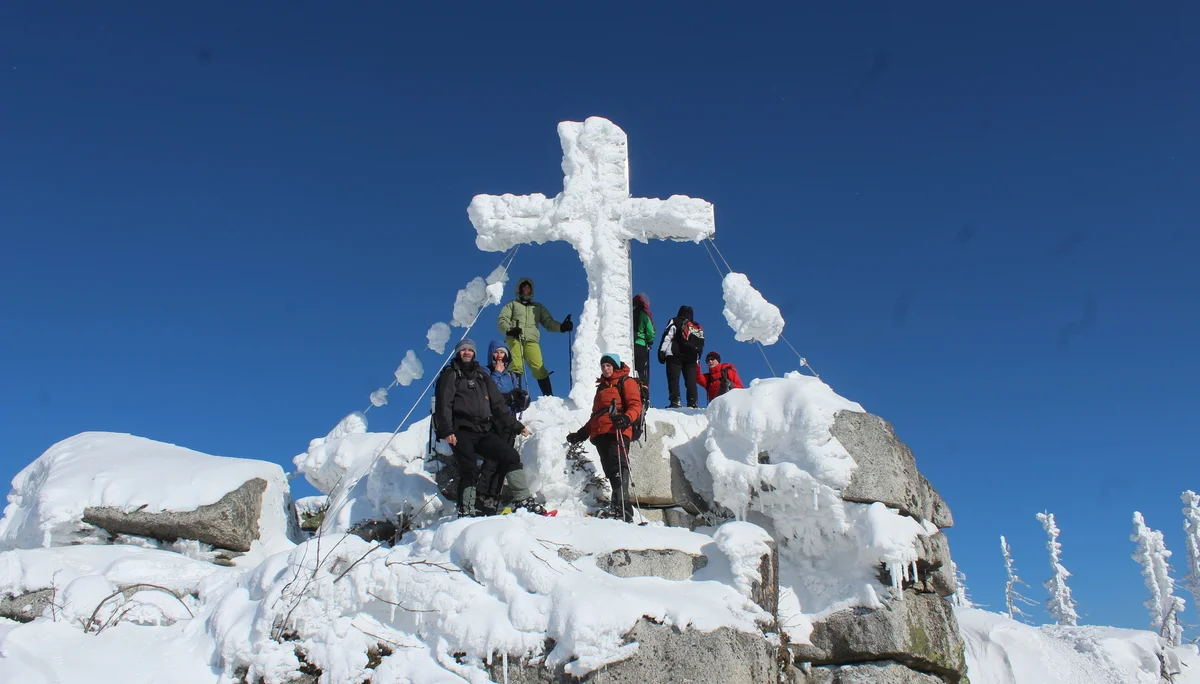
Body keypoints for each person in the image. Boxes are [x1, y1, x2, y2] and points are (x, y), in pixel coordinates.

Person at [434, 339, 544, 516]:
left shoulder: (481, 375)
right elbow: (443, 403)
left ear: (474, 353)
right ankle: (466, 510)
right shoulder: (451, 373)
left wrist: (516, 426)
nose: (467, 352)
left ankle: (523, 500)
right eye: (463, 350)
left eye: (470, 349)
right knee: (469, 468)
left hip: (483, 429)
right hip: (461, 429)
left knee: (510, 455)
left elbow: (498, 404)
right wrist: (447, 430)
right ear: (458, 352)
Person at [566, 353, 643, 522]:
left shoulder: (626, 381)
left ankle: (623, 508)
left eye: (608, 365)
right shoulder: (601, 388)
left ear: (615, 366)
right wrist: (581, 434)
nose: (605, 369)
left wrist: (626, 418)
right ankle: (617, 506)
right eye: (603, 366)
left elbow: (635, 405)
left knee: (618, 466)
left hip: (618, 430)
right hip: (600, 433)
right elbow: (596, 416)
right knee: (610, 469)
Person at [476, 340, 531, 513]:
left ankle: (493, 497)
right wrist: (498, 374)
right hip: (492, 420)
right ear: (491, 354)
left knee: (503, 461)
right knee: (491, 459)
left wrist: (521, 400)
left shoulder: (511, 376)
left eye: (502, 353)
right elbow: (487, 392)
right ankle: (480, 497)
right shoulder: (486, 371)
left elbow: (514, 402)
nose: (500, 356)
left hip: (508, 420)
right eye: (496, 353)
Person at [497, 277, 573, 398]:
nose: (526, 288)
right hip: (514, 337)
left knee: (539, 367)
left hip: (532, 340)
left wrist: (562, 327)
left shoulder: (537, 307)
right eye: (524, 286)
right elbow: (502, 319)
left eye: (528, 287)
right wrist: (509, 330)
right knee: (516, 365)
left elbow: (548, 322)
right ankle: (515, 396)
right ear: (520, 289)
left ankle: (549, 397)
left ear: (531, 290)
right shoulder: (512, 305)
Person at [657, 305, 702, 409]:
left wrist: (662, 351)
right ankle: (693, 402)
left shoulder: (675, 320)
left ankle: (675, 401)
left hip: (674, 355)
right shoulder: (696, 327)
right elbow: (700, 345)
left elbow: (668, 336)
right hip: (691, 358)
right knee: (691, 381)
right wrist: (697, 360)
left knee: (674, 379)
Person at [632, 293, 655, 401]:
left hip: (631, 345)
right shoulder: (644, 313)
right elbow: (650, 332)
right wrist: (650, 341)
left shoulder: (629, 312)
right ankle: (644, 395)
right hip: (641, 344)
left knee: (633, 369)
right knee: (642, 371)